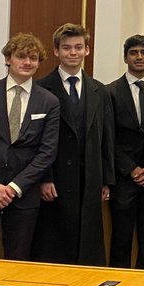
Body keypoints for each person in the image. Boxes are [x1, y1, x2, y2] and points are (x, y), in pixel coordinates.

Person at [0, 33, 60, 260]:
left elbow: (47, 152)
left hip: (23, 195)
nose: (27, 62)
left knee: (18, 260)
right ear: (8, 59)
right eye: (21, 56)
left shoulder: (49, 101)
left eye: (33, 58)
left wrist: (14, 188)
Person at [32, 23, 114, 266]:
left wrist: (106, 179)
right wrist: (43, 177)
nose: (73, 53)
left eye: (78, 47)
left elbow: (106, 137)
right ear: (56, 51)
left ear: (87, 50)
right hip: (55, 177)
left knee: (87, 242)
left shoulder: (99, 90)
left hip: (89, 177)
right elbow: (35, 139)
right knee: (55, 242)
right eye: (66, 48)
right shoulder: (41, 88)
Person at [108, 34, 144, 269]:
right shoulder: (110, 92)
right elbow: (108, 137)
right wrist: (131, 168)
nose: (139, 57)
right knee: (121, 238)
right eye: (134, 53)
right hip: (124, 178)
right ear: (125, 57)